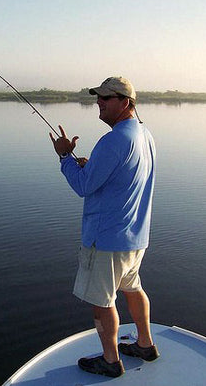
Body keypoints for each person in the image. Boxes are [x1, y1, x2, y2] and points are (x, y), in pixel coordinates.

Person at [49, 76, 159, 378]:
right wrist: (90, 164)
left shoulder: (113, 140)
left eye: (106, 98)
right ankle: (145, 344)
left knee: (102, 301)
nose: (99, 102)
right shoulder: (144, 134)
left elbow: (83, 186)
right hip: (136, 237)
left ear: (125, 102)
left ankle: (110, 361)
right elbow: (121, 175)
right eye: (98, 97)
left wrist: (64, 157)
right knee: (133, 288)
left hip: (107, 240)